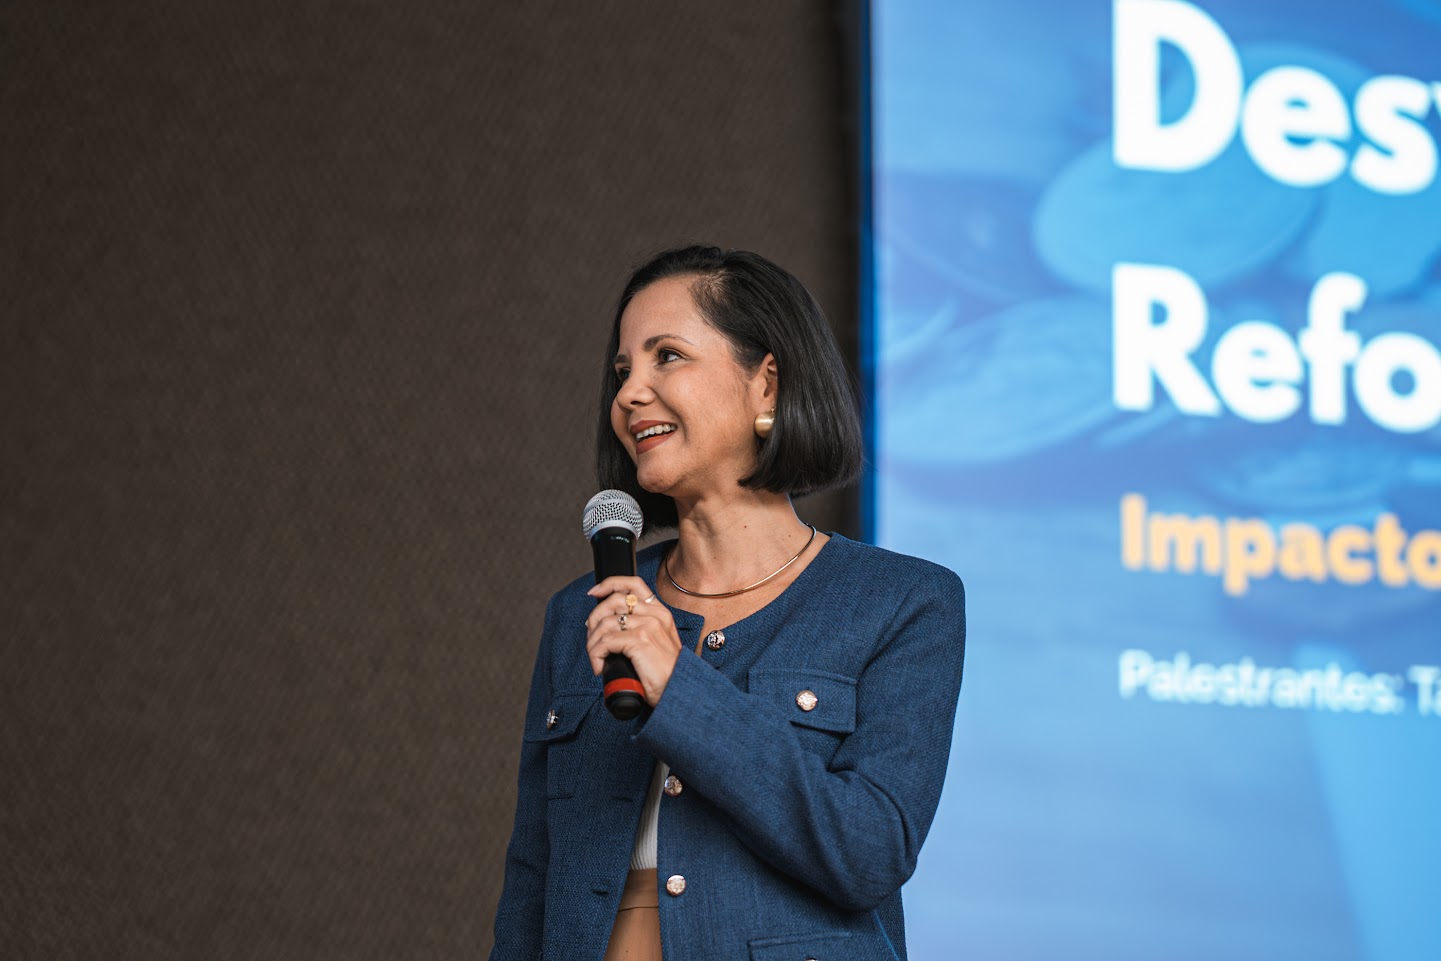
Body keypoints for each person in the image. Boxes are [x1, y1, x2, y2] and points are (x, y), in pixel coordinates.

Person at [490, 245, 966, 961]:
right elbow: (532, 880)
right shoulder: (581, 610)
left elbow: (868, 852)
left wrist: (679, 688)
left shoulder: (902, 603)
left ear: (765, 385)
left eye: (667, 357)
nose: (630, 393)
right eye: (622, 371)